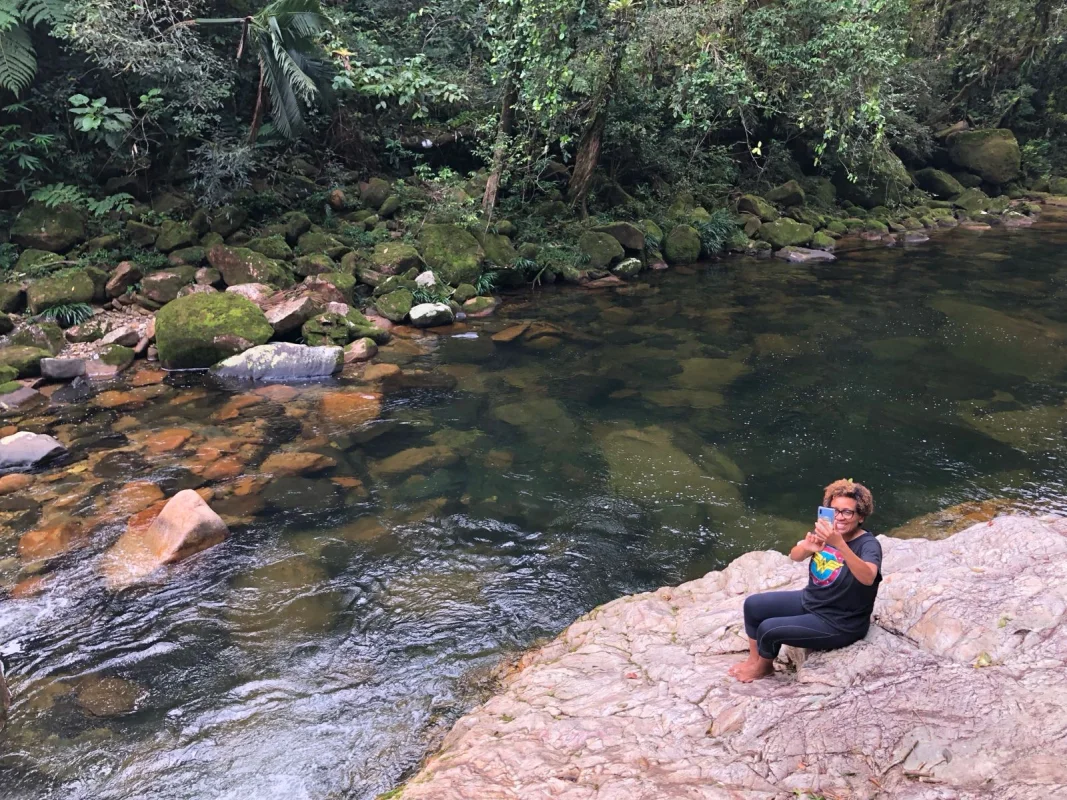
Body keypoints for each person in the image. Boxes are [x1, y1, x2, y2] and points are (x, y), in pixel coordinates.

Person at [729, 479, 882, 682]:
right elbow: (794, 556)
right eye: (834, 511)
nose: (840, 517)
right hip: (813, 601)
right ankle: (754, 660)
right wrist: (807, 547)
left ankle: (764, 668)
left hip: (840, 622)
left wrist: (840, 545)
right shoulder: (826, 532)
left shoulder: (868, 545)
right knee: (753, 605)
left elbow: (868, 577)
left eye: (847, 512)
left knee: (769, 629)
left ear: (860, 516)